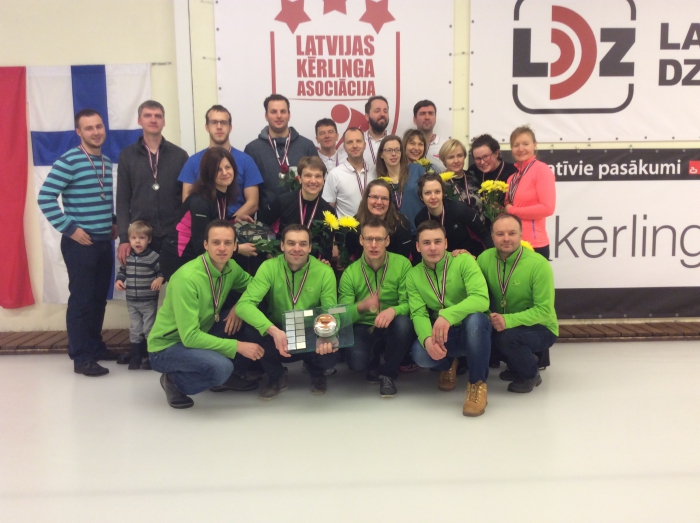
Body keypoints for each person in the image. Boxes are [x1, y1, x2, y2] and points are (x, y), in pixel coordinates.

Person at [148, 220, 265, 409]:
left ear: (235, 246)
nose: (222, 248)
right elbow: (190, 337)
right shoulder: (187, 279)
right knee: (221, 367)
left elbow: (256, 287)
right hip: (168, 346)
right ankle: (174, 381)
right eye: (216, 242)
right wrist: (238, 346)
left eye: (228, 243)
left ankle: (225, 378)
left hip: (203, 330)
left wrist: (239, 306)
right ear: (205, 245)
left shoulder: (231, 267)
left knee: (248, 319)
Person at [37, 109, 119, 376]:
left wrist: (113, 221)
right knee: (82, 301)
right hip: (80, 244)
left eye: (99, 126)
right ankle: (81, 357)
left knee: (98, 299)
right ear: (79, 132)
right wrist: (70, 229)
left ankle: (94, 346)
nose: (96, 132)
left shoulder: (105, 160)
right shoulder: (69, 160)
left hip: (104, 241)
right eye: (89, 128)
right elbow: (45, 197)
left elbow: (103, 197)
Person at [236, 224, 340, 399]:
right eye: (291, 243)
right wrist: (272, 330)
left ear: (310, 247)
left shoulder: (324, 271)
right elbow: (243, 305)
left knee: (332, 347)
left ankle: (316, 371)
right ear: (282, 245)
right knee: (250, 330)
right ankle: (276, 375)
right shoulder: (269, 267)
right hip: (279, 331)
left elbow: (330, 311)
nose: (297, 249)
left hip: (310, 329)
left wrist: (326, 334)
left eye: (302, 244)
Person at [406, 220, 491, 417]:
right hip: (444, 334)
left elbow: (481, 299)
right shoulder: (413, 275)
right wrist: (427, 339)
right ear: (418, 247)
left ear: (446, 243)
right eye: (426, 243)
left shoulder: (463, 261)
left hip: (472, 330)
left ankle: (477, 384)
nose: (432, 247)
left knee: (476, 320)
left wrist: (447, 315)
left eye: (437, 241)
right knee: (420, 354)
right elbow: (418, 313)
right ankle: (448, 363)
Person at [477, 214, 558, 393]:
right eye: (500, 234)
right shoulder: (484, 258)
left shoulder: (539, 265)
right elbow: (475, 291)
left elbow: (544, 310)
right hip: (503, 323)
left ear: (521, 235)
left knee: (506, 339)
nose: (506, 238)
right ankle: (518, 363)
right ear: (492, 237)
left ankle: (530, 375)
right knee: (479, 333)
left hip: (541, 327)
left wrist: (507, 320)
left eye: (512, 233)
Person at [338, 217, 415, 397]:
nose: (373, 245)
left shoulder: (402, 264)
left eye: (379, 239)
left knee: (404, 324)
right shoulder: (350, 273)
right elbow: (341, 315)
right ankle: (372, 361)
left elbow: (411, 303)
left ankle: (388, 373)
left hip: (392, 324)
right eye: (369, 239)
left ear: (387, 241)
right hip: (363, 325)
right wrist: (361, 306)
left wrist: (393, 310)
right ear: (361, 240)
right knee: (357, 362)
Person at [116, 100, 189, 264]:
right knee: (144, 281)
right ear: (139, 120)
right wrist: (124, 238)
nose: (153, 120)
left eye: (158, 116)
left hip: (173, 235)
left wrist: (184, 232)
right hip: (141, 236)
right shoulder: (127, 156)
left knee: (175, 279)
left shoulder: (179, 155)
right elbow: (122, 200)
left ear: (164, 121)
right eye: (148, 115)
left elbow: (187, 199)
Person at [159, 147, 238, 280]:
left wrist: (233, 220)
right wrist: (238, 249)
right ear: (209, 173)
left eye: (228, 167)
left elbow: (213, 222)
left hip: (197, 259)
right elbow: (200, 245)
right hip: (179, 260)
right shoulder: (200, 200)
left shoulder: (222, 194)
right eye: (218, 169)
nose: (225, 173)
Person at [178, 105, 263, 221]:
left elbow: (253, 203)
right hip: (203, 223)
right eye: (214, 122)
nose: (219, 127)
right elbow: (188, 202)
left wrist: (228, 224)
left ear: (230, 127)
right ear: (207, 127)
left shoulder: (246, 161)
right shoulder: (192, 162)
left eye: (223, 122)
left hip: (236, 223)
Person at [244, 94, 318, 210]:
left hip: (302, 213)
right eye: (273, 112)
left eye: (283, 111)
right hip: (267, 216)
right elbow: (249, 190)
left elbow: (318, 180)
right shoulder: (252, 149)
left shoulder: (306, 146)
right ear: (266, 116)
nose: (279, 116)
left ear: (289, 115)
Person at [115, 221, 163, 370]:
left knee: (149, 329)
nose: (137, 241)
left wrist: (160, 279)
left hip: (148, 300)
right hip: (132, 301)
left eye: (142, 238)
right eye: (134, 238)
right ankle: (136, 356)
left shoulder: (153, 257)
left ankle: (151, 357)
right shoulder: (128, 256)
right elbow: (123, 271)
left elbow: (162, 271)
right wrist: (119, 280)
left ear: (149, 240)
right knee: (135, 329)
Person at [505, 125, 556, 259]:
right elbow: (507, 205)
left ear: (534, 145)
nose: (520, 149)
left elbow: (547, 208)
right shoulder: (512, 178)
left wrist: (512, 210)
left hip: (534, 245)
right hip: (512, 244)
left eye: (525, 144)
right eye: (516, 145)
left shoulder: (542, 170)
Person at [414, 173, 493, 258]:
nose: (433, 197)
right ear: (421, 196)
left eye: (437, 192)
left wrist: (483, 259)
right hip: (443, 261)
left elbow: (484, 235)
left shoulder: (461, 210)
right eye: (427, 193)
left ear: (443, 193)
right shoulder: (420, 219)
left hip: (472, 257)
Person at [258, 156, 335, 234]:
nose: (313, 181)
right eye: (308, 175)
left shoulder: (328, 212)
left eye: (318, 176)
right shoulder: (282, 202)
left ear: (323, 180)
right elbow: (260, 226)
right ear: (299, 178)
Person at [347, 179, 412, 260]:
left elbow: (402, 259)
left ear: (390, 202)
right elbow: (351, 258)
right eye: (375, 197)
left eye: (384, 198)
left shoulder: (402, 223)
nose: (379, 202)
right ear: (366, 199)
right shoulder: (354, 224)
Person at [322, 127, 377, 218]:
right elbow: (328, 209)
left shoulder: (374, 171)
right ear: (344, 147)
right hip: (347, 226)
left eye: (358, 141)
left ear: (364, 145)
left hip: (374, 225)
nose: (355, 146)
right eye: (350, 142)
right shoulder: (335, 174)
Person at [376, 134, 424, 235]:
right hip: (397, 234)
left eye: (397, 150)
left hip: (422, 230)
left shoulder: (416, 169)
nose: (394, 154)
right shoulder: (381, 183)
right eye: (389, 150)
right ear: (381, 154)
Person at [439, 139, 485, 220]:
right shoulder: (438, 182)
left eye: (460, 155)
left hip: (479, 226)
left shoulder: (474, 177)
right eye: (451, 157)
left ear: (464, 156)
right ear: (444, 160)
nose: (456, 161)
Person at [413, 100, 445, 172]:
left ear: (435, 118)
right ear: (415, 120)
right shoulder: (406, 146)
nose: (427, 117)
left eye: (431, 113)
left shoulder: (445, 146)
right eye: (422, 114)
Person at [364, 95, 390, 167]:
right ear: (367, 116)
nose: (382, 114)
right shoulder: (358, 142)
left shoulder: (396, 142)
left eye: (385, 111)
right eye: (377, 111)